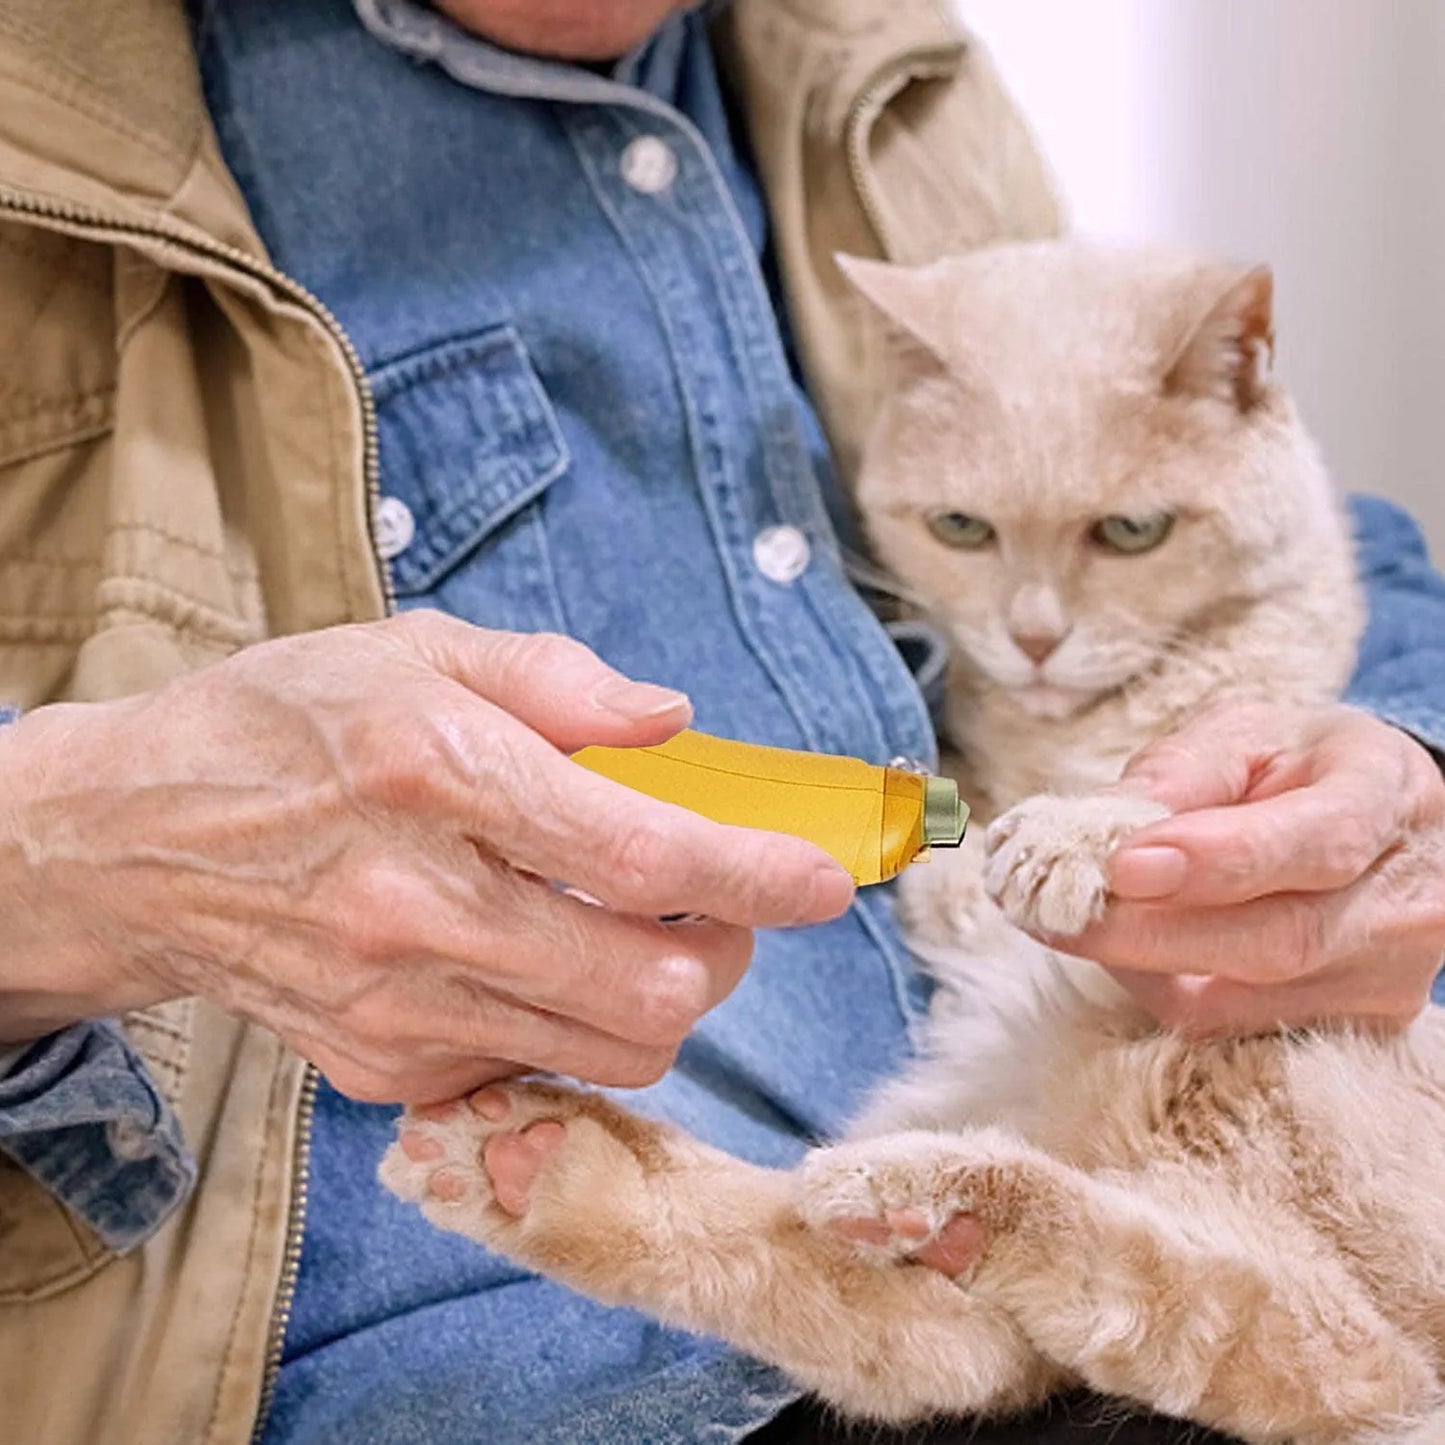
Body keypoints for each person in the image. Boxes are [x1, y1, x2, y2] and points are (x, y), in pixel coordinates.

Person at [0, 2, 1441, 1442]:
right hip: (529, 1362)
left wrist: (1400, 760)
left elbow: (1303, 531)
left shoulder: (868, 56)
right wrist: (75, 845)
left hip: (1079, 1220)